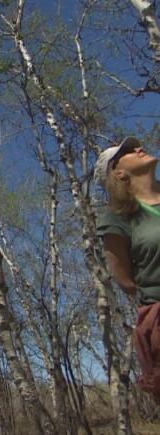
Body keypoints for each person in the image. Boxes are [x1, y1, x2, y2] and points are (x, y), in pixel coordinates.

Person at [95, 136, 160, 404]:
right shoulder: (117, 220)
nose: (138, 148)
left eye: (135, 146)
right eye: (127, 152)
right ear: (118, 173)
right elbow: (126, 281)